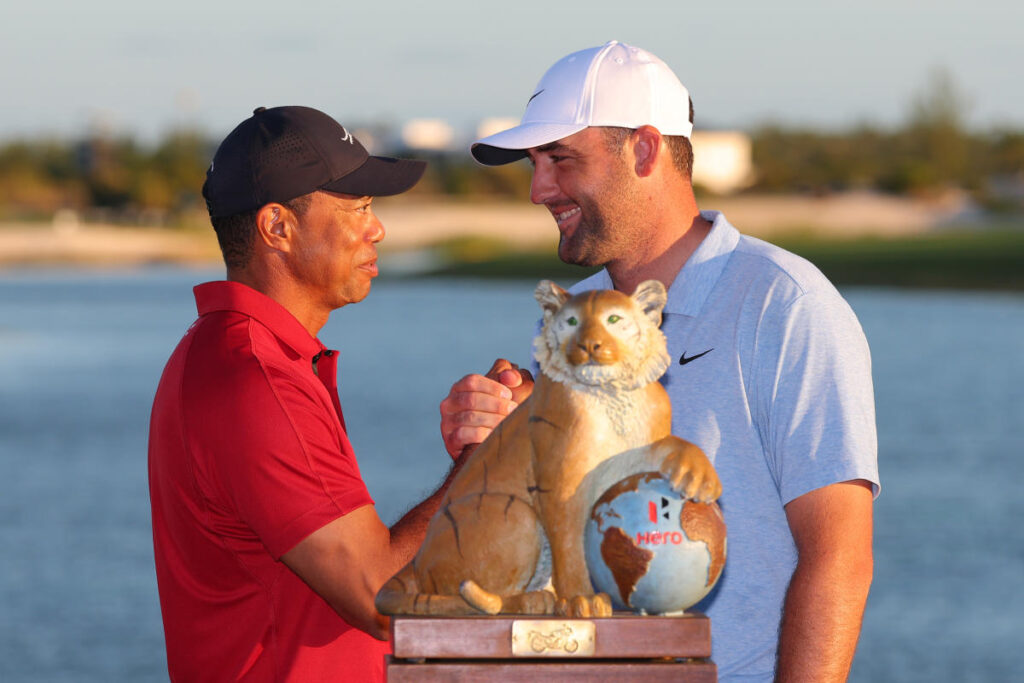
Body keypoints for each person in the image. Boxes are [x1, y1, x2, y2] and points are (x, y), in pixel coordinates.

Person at [439, 41, 879, 682]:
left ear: (644, 150)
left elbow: (839, 557)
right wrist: (487, 454)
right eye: (534, 164)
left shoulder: (784, 302)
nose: (538, 189)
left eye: (561, 159)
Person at [148, 106, 464, 682]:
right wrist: (492, 459)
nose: (378, 228)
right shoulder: (254, 381)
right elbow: (382, 595)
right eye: (358, 207)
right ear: (277, 227)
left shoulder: (235, 357)